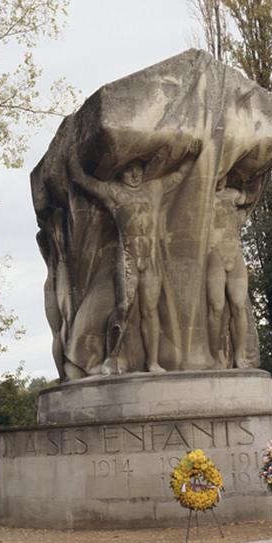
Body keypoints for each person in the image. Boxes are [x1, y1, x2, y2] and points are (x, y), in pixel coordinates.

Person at [68, 144, 198, 374]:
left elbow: (178, 177)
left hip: (150, 260)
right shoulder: (114, 192)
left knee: (150, 310)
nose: (135, 174)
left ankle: (153, 362)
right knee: (122, 308)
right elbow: (83, 181)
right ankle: (112, 357)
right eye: (129, 170)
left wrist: (190, 155)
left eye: (138, 169)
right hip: (127, 258)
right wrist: (71, 153)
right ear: (121, 173)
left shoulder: (154, 189)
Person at [207, 175, 254, 370]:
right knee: (216, 308)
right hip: (214, 252)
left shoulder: (234, 194)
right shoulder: (202, 196)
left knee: (238, 304)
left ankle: (240, 355)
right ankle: (215, 355)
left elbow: (251, 195)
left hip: (234, 251)